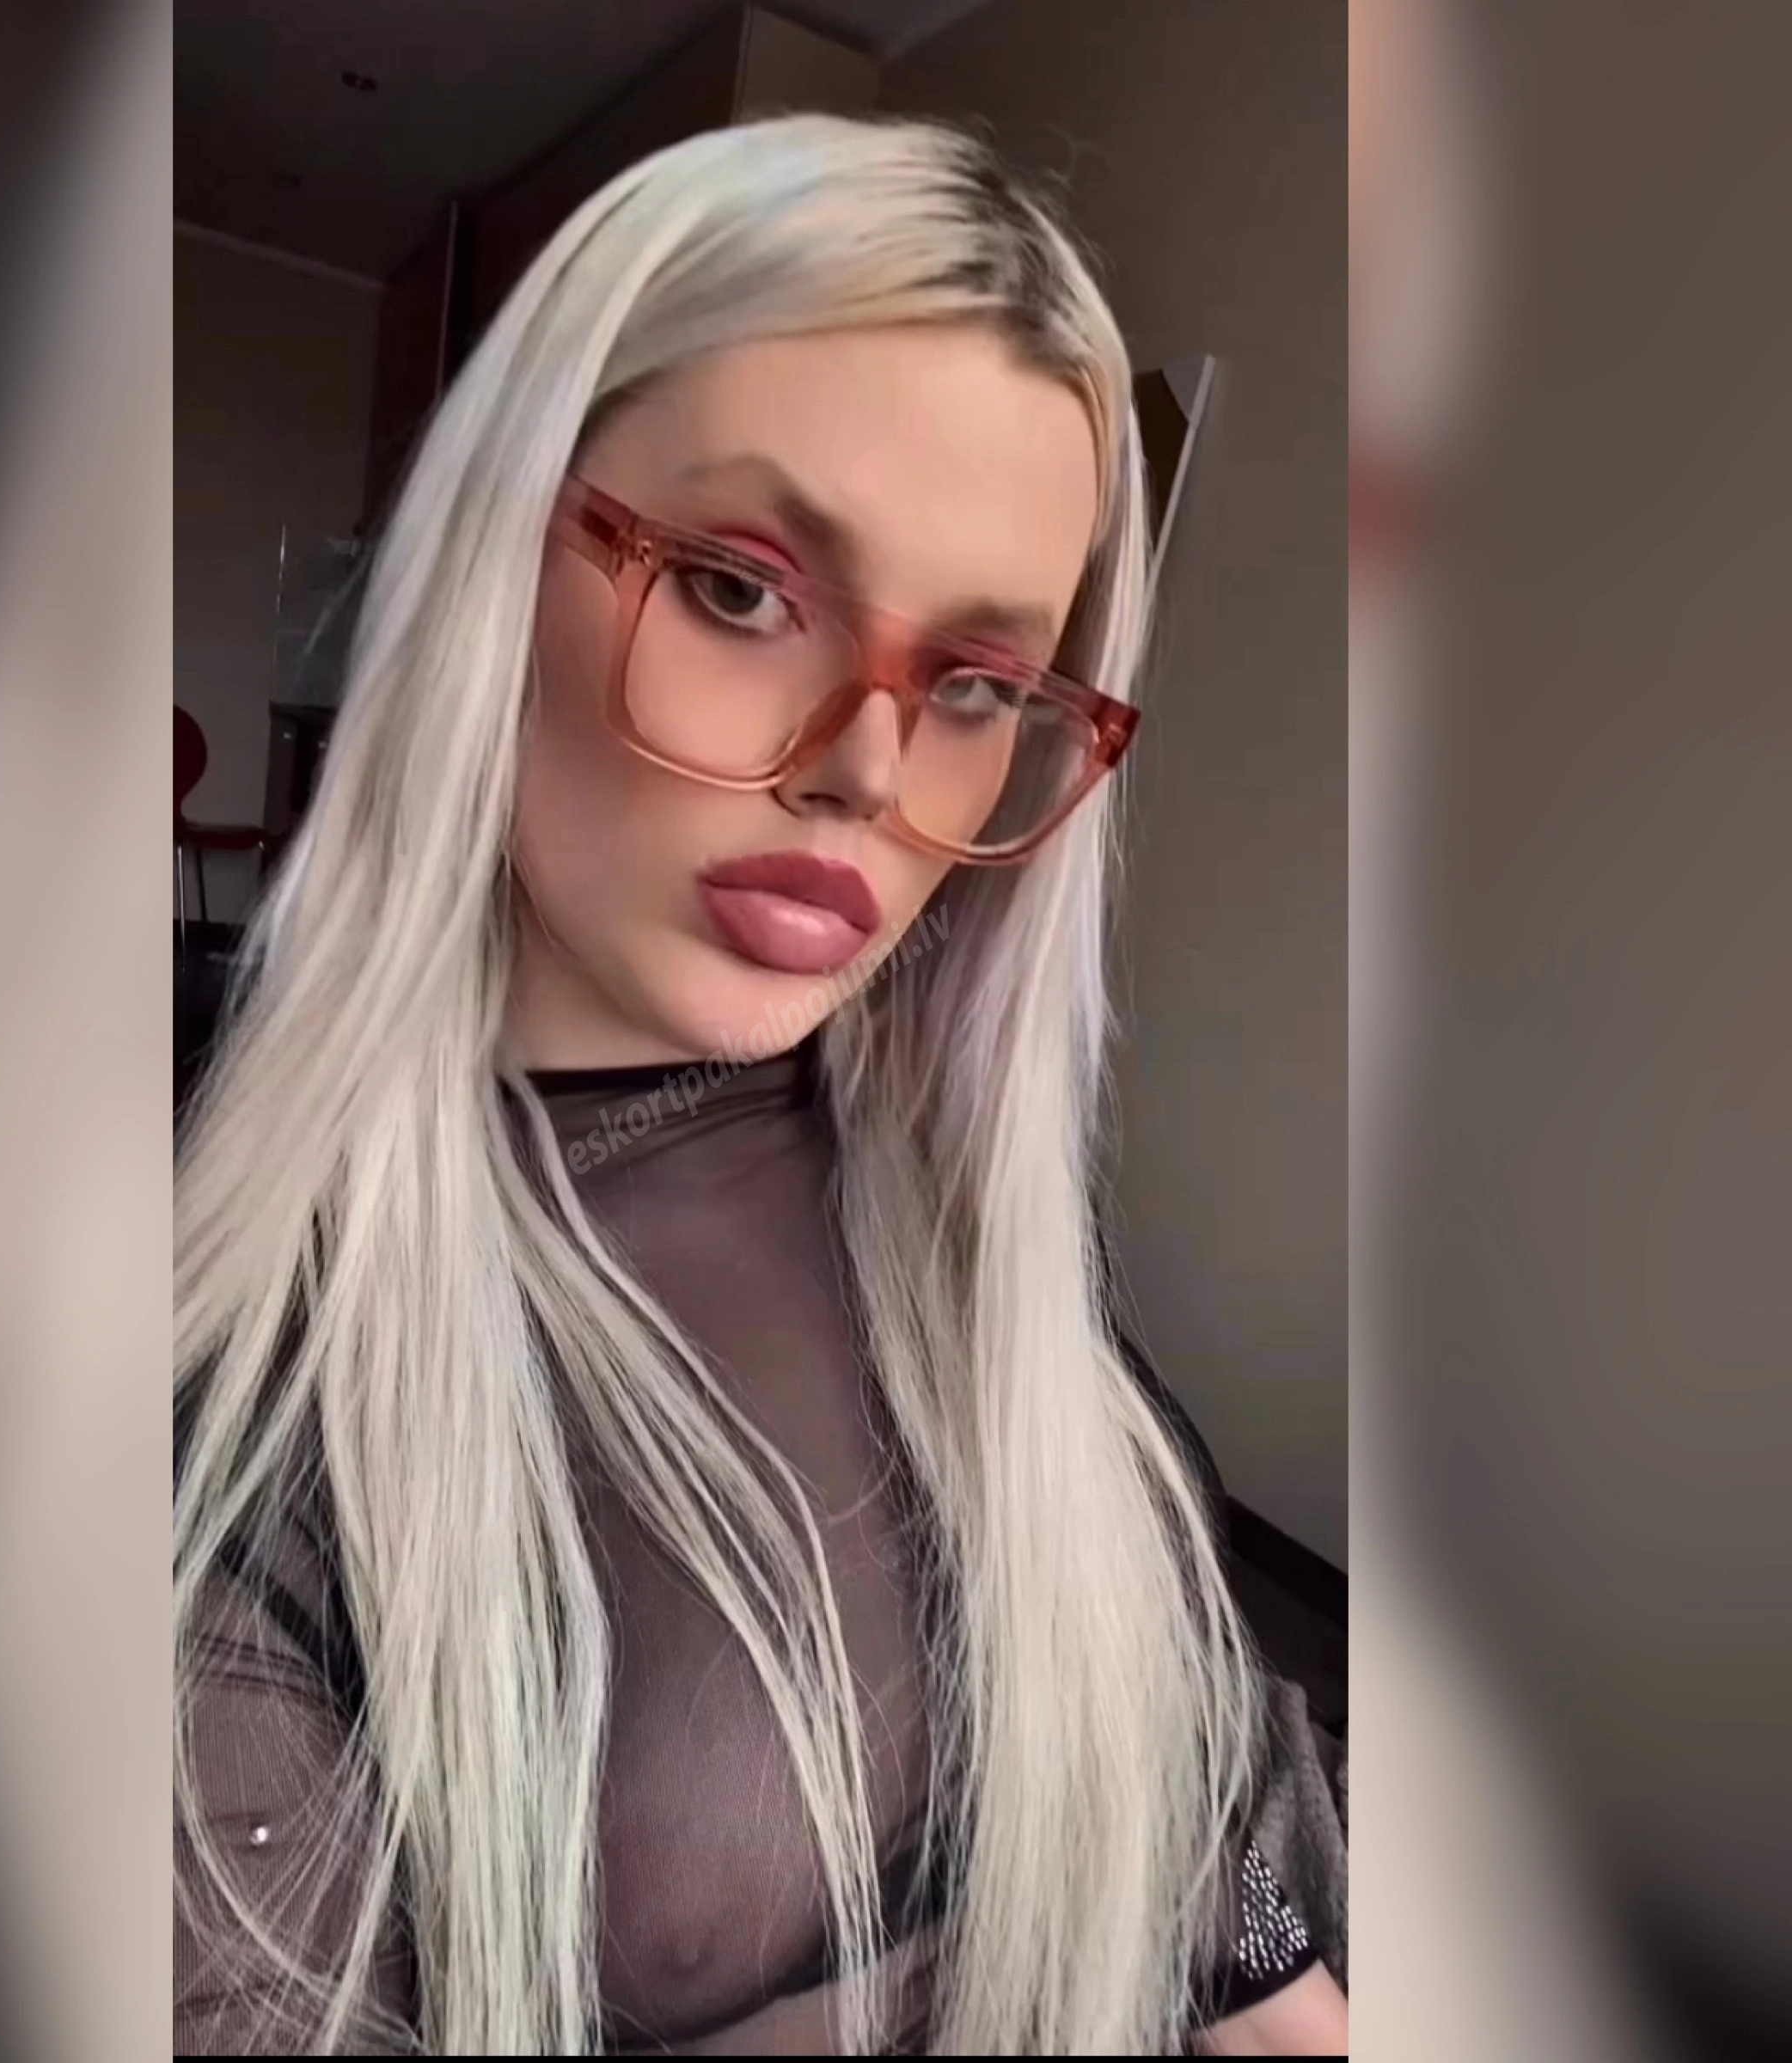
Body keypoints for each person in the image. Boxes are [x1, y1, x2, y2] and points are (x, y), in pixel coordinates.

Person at [174, 113, 1347, 2055]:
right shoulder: (225, 1404)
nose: (867, 770)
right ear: (491, 560)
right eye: (739, 587)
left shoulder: (965, 1231)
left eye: (978, 683)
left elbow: (1232, 1878)